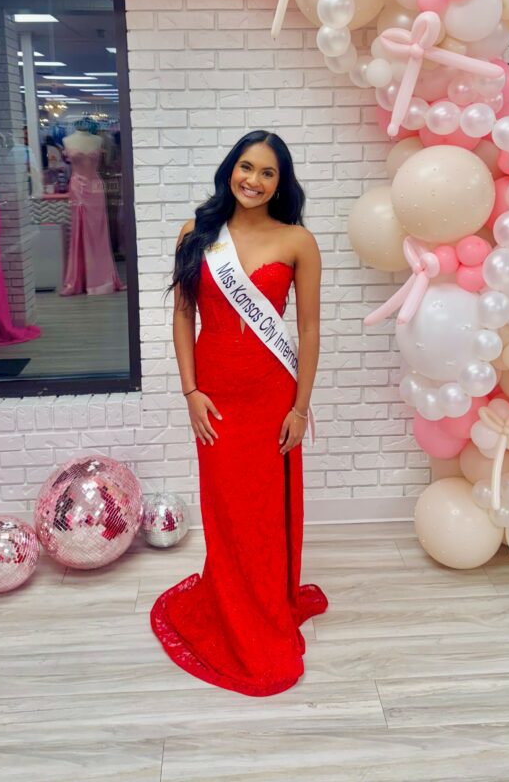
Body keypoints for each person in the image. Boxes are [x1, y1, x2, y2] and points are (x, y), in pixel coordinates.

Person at [151, 130, 328, 696]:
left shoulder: (298, 241)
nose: (254, 180)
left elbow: (308, 330)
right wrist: (190, 391)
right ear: (232, 169)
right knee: (226, 507)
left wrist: (300, 408)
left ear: (281, 183)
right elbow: (183, 316)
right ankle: (231, 603)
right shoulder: (198, 233)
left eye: (267, 172)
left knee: (265, 510)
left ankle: (266, 602)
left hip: (273, 397)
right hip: (217, 396)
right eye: (246, 167)